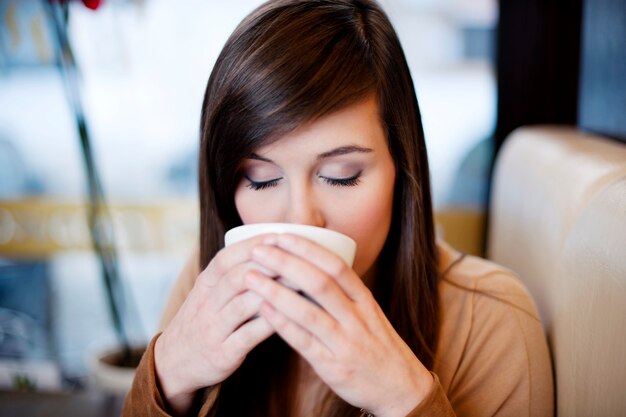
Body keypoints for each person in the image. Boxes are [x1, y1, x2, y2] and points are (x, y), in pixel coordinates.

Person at [123, 0, 554, 416]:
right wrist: (168, 375)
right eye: (261, 179)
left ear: (401, 171)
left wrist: (404, 398)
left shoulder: (489, 320)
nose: (299, 218)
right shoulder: (209, 285)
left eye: (341, 175)